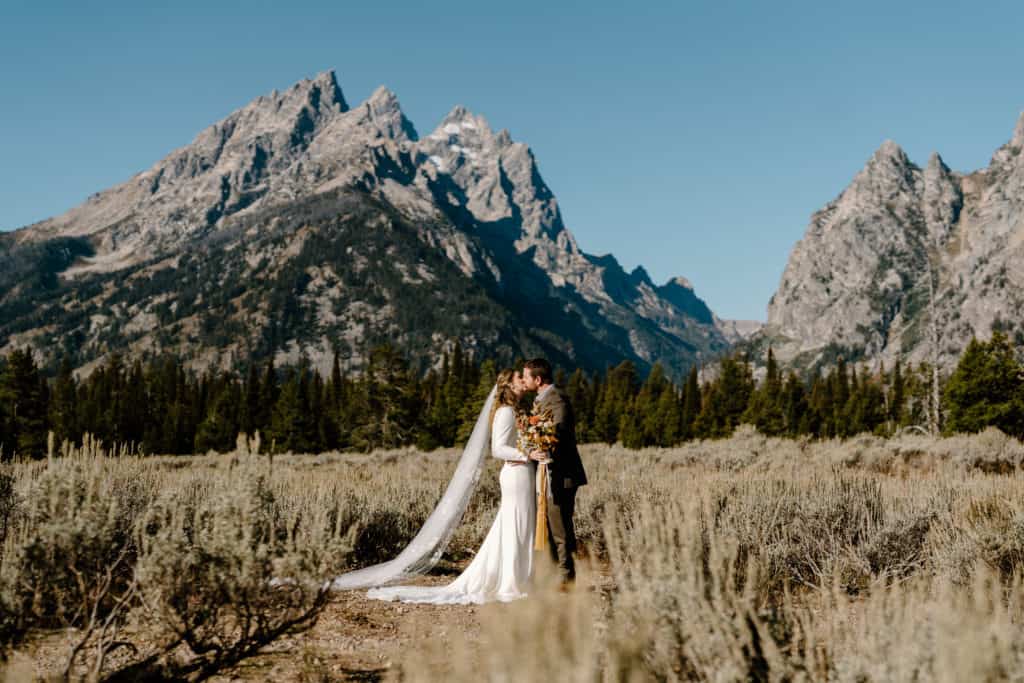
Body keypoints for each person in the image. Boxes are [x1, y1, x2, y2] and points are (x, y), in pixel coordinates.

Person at [366, 369, 536, 604]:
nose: (523, 380)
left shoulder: (515, 411)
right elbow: (498, 449)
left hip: (522, 473)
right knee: (515, 524)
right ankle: (511, 581)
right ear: (508, 385)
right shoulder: (506, 412)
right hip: (516, 473)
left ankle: (517, 577)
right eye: (519, 377)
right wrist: (527, 454)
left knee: (516, 525)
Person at [522, 357, 588, 585]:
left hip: (561, 475)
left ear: (538, 379)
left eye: (526, 376)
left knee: (560, 528)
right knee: (549, 526)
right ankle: (552, 574)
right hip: (547, 473)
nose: (523, 380)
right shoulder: (542, 399)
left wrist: (539, 444)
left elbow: (557, 434)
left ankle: (566, 578)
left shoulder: (557, 399)